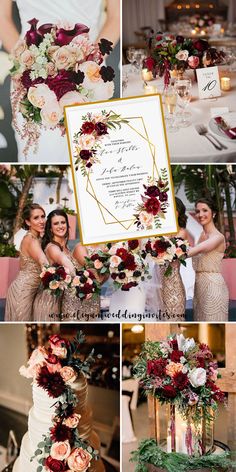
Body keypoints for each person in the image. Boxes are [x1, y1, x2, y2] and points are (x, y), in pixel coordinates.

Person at [0, 0, 120, 162]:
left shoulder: (89, 66)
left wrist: (88, 60)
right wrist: (29, 62)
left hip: (88, 71)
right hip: (31, 75)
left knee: (87, 158)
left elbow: (116, 17)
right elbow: (3, 19)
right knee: (39, 158)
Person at [188, 197, 229, 321]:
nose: (200, 214)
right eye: (197, 211)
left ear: (214, 213)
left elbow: (193, 251)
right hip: (199, 287)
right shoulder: (201, 236)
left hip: (213, 287)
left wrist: (169, 250)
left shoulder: (218, 237)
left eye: (205, 210)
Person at [5, 203, 48, 321]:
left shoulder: (38, 238)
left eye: (43, 216)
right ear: (28, 222)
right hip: (22, 292)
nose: (41, 221)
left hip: (32, 291)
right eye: (36, 218)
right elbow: (44, 263)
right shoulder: (30, 240)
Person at [33, 209, 75, 321]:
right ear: (50, 228)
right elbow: (70, 268)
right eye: (56, 223)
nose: (61, 226)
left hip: (61, 301)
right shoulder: (52, 248)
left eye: (63, 222)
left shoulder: (67, 248)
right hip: (48, 301)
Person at [159, 197, 189, 321]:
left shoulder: (182, 232)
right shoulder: (160, 232)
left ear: (178, 212)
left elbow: (171, 254)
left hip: (174, 285)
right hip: (159, 285)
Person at [61, 242, 101, 321]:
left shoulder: (104, 248)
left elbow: (100, 280)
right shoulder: (80, 247)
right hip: (76, 299)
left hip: (93, 299)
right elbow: (93, 272)